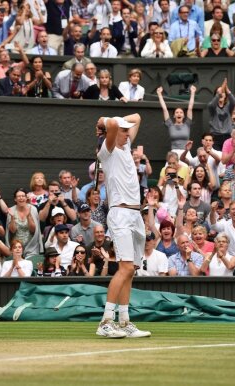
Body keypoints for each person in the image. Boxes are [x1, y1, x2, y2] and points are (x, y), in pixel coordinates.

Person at [95, 113, 150, 338]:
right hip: (119, 213)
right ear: (113, 132)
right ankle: (106, 322)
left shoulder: (126, 147)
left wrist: (111, 123)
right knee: (125, 267)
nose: (128, 133)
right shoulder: (106, 152)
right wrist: (103, 122)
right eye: (124, 130)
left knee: (131, 271)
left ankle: (125, 321)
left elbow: (138, 116)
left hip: (136, 215)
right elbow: (110, 123)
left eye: (129, 130)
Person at [6, 188, 41, 259]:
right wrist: (12, 217)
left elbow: (33, 230)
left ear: (26, 197)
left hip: (31, 246)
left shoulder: (33, 209)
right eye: (18, 196)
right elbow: (12, 231)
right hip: (16, 246)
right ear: (15, 199)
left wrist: (28, 216)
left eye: (23, 196)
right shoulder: (11, 210)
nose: (21, 198)